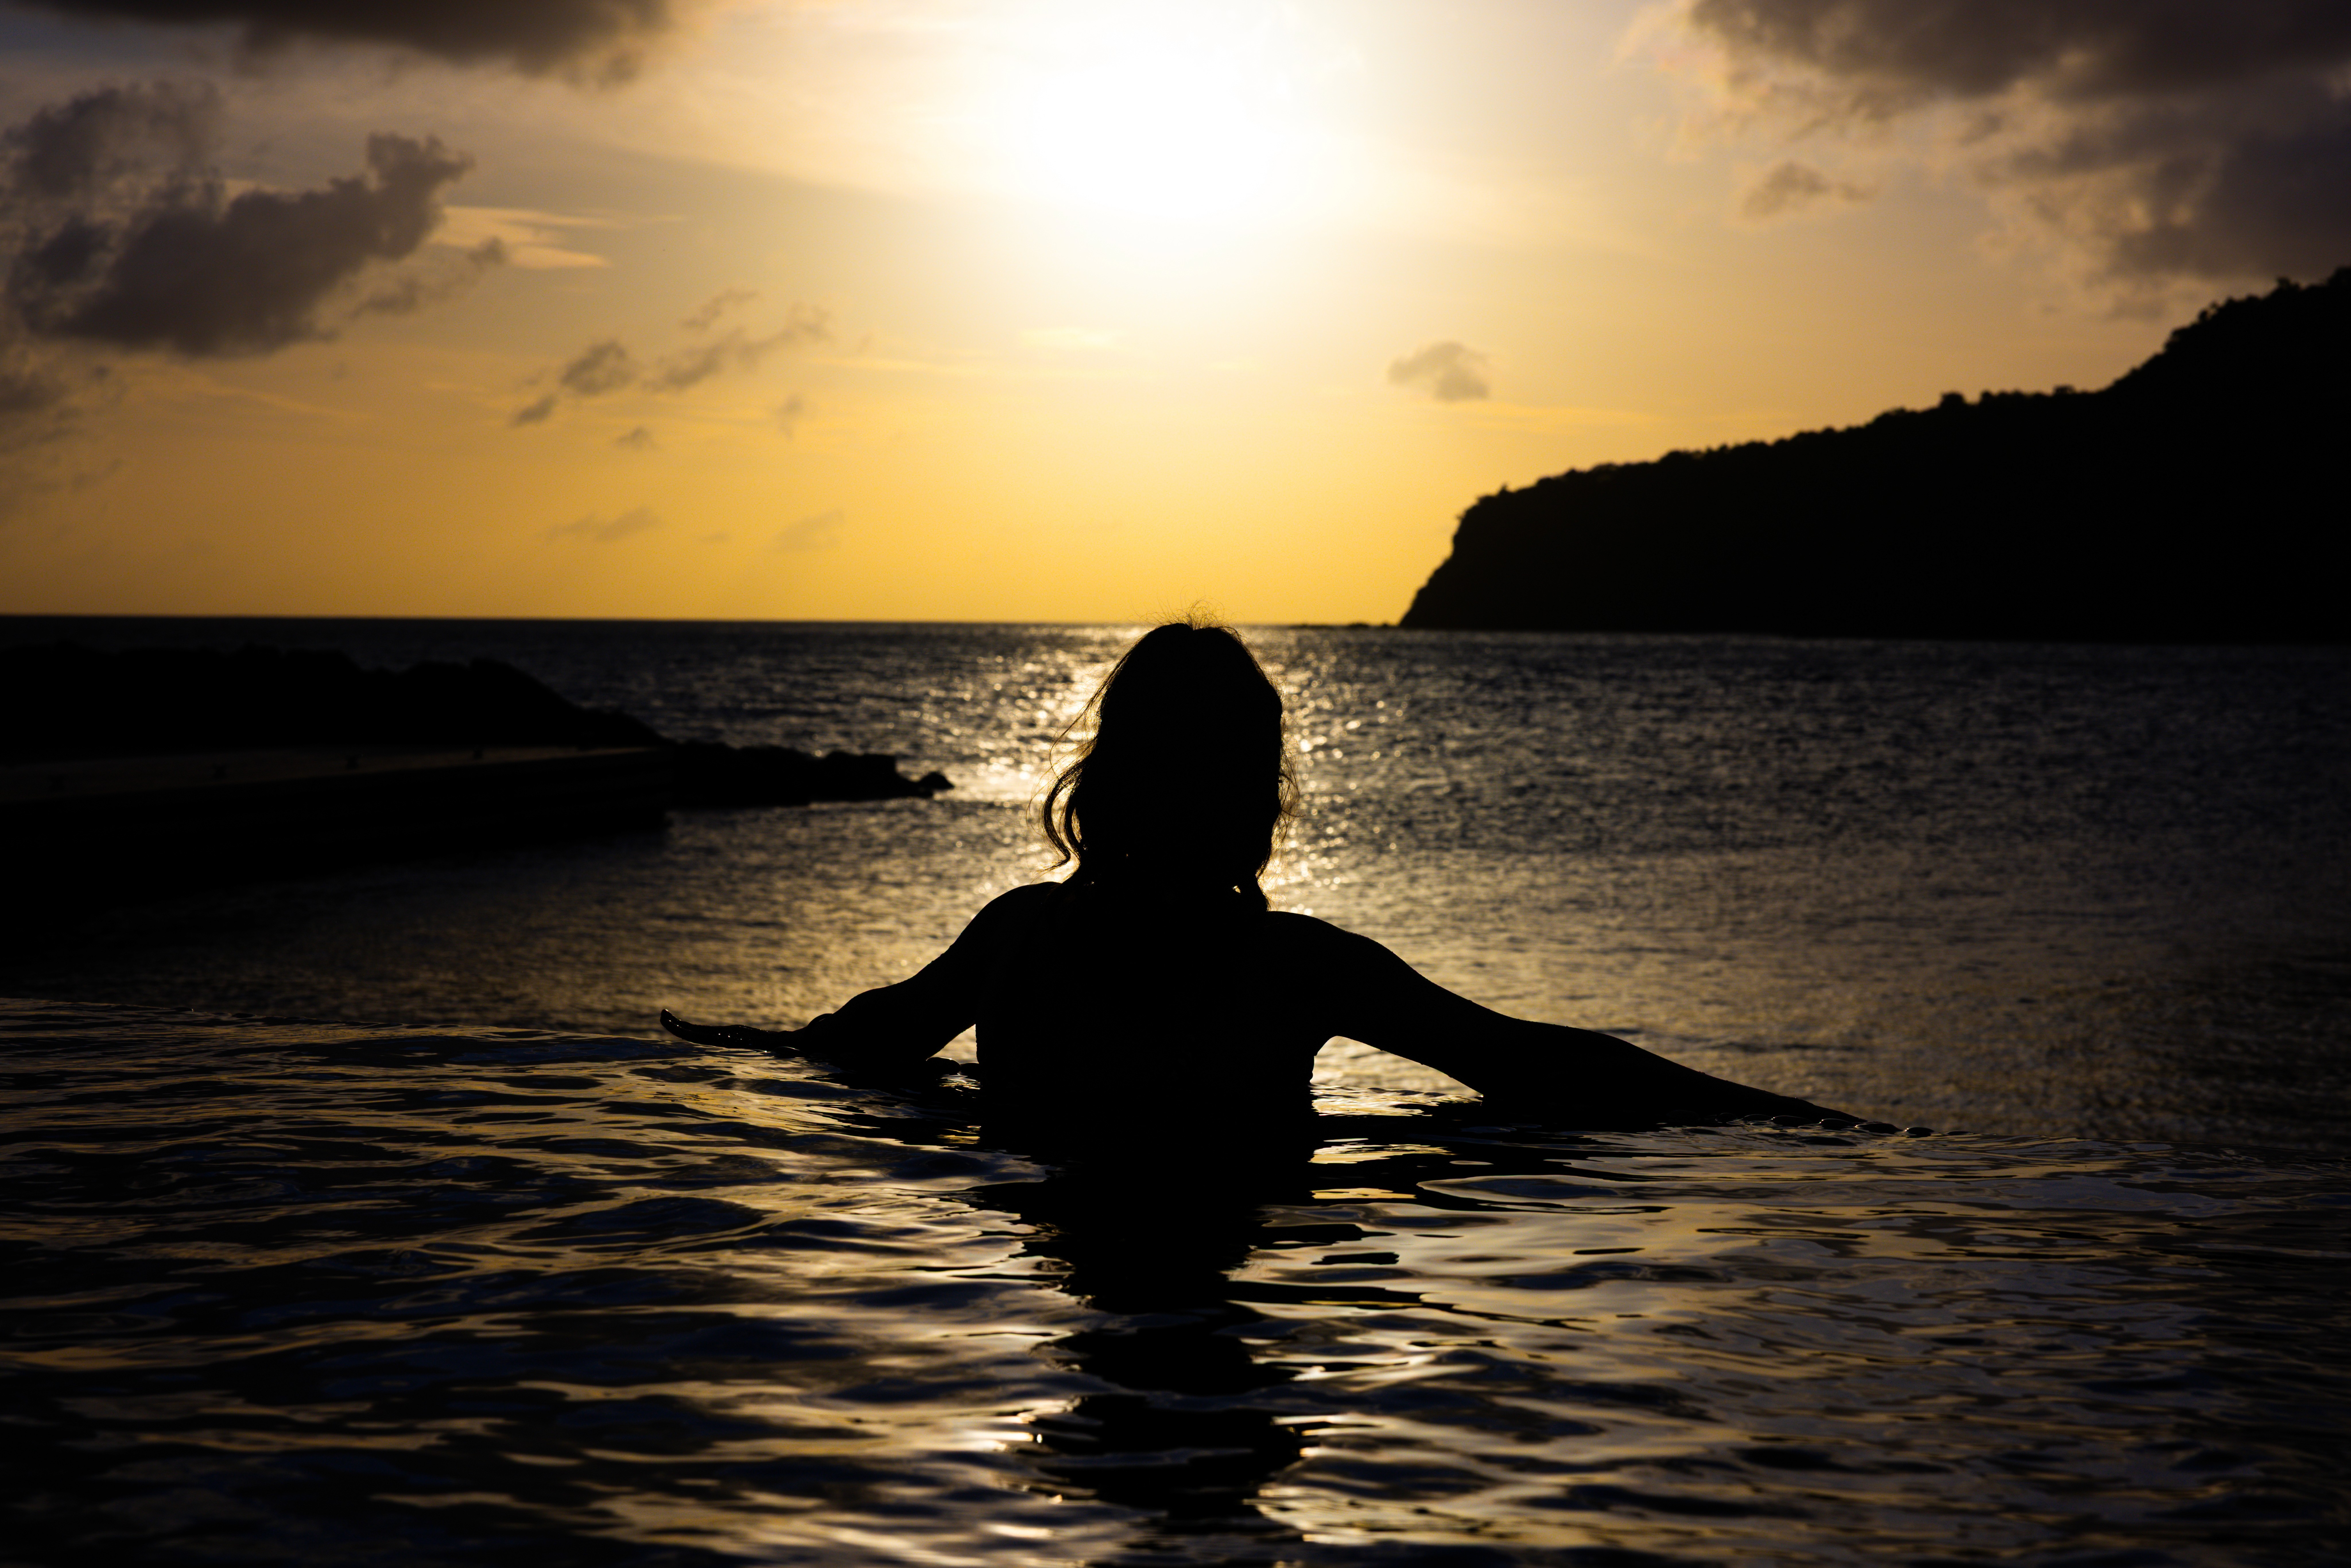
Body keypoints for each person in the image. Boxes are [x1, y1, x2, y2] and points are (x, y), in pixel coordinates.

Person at [662, 620, 1853, 1137]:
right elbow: (1534, 1058)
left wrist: (720, 1044)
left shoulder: (1019, 940)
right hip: (1230, 1267)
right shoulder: (1295, 969)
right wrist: (1792, 1122)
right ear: (1259, 791)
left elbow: (853, 1045)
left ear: (1107, 777)